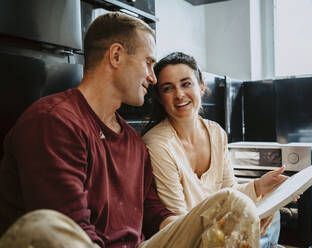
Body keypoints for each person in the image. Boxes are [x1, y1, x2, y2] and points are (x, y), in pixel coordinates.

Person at [0, 13, 263, 248]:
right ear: (116, 56)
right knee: (45, 227)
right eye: (148, 63)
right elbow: (68, 228)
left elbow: (151, 210)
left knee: (233, 205)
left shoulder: (132, 142)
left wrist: (194, 230)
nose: (153, 77)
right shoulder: (54, 122)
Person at [142, 52, 287, 248]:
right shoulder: (158, 143)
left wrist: (260, 186)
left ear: (201, 87)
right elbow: (180, 221)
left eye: (186, 84)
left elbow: (229, 191)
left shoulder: (216, 132)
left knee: (273, 213)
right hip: (185, 236)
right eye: (168, 88)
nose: (179, 95)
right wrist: (243, 222)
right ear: (160, 98)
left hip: (215, 227)